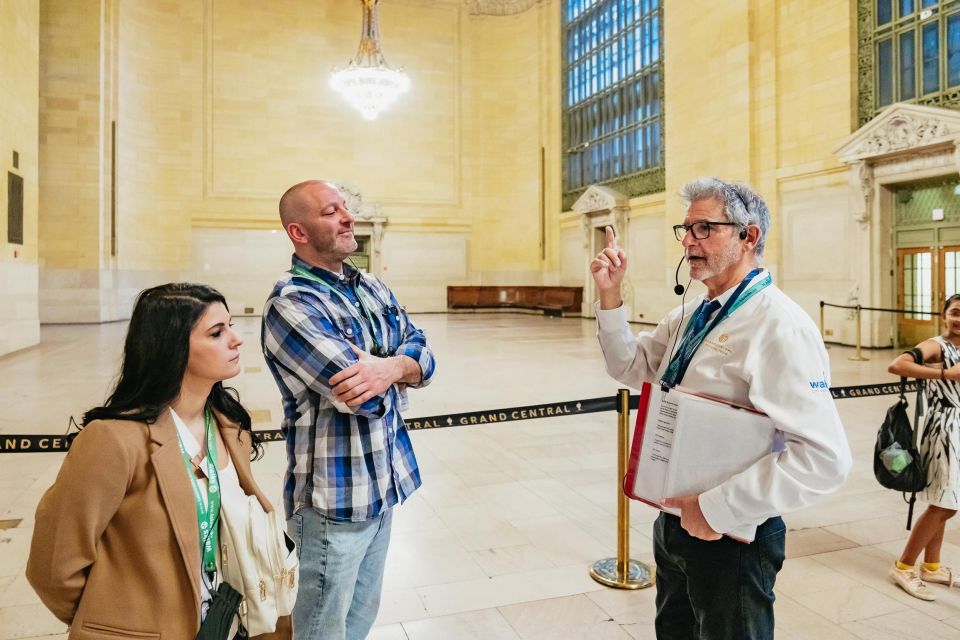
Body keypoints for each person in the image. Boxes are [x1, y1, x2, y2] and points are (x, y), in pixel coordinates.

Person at [590, 177, 851, 639]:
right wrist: (611, 296)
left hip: (731, 536)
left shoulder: (779, 326)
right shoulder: (693, 313)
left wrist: (714, 508)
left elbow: (823, 459)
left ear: (749, 236)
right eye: (686, 229)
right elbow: (630, 367)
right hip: (673, 522)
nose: (688, 241)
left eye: (704, 228)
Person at [26, 283, 289, 639]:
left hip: (227, 619)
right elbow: (55, 566)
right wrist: (116, 620)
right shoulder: (114, 439)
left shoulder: (229, 425)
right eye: (216, 332)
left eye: (230, 326)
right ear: (173, 347)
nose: (235, 339)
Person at [262, 179, 436, 640]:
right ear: (298, 232)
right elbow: (365, 397)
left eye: (345, 208)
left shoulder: (373, 286)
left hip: (385, 484)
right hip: (333, 503)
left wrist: (393, 365)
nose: (347, 217)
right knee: (322, 629)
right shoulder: (292, 302)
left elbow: (425, 355)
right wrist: (400, 371)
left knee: (359, 619)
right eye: (330, 211)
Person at [887, 293, 960, 600]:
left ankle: (931, 564)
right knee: (946, 503)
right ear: (944, 315)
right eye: (955, 312)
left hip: (958, 426)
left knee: (941, 496)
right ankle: (903, 566)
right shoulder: (937, 345)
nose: (959, 319)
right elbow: (897, 365)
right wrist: (945, 373)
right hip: (944, 427)